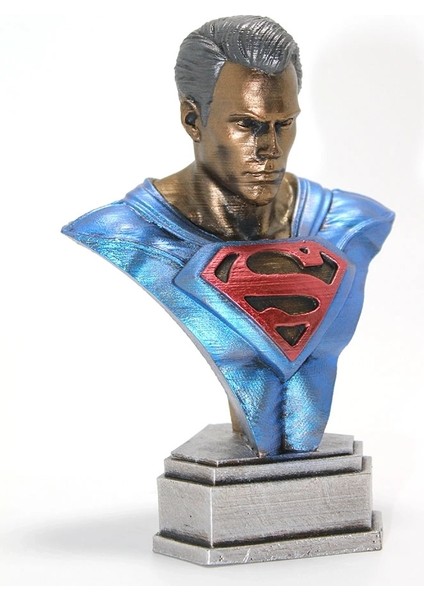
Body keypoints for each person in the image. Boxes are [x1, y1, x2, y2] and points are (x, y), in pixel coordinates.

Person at [62, 16, 394, 457]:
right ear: (193, 119)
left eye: (283, 124)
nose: (270, 149)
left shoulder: (351, 222)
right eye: (247, 125)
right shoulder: (129, 233)